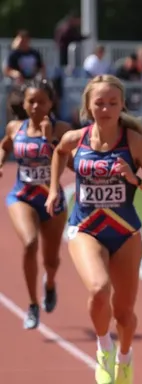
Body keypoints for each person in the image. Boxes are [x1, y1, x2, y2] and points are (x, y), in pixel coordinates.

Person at [45, 74, 142, 384]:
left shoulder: (134, 142)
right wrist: (53, 190)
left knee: (124, 314)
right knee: (99, 289)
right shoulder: (76, 139)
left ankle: (125, 358)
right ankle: (104, 349)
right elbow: (59, 152)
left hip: (125, 232)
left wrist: (135, 180)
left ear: (122, 105)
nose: (106, 108)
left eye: (113, 103)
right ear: (88, 106)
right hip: (85, 227)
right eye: (99, 103)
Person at [0, 79, 72, 329]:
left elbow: (70, 163)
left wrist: (50, 140)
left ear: (51, 103)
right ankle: (32, 304)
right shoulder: (14, 127)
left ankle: (49, 284)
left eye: (42, 101)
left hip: (52, 198)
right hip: (22, 196)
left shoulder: (61, 128)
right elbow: (5, 146)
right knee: (30, 243)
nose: (36, 106)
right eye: (31, 101)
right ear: (24, 103)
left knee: (51, 260)